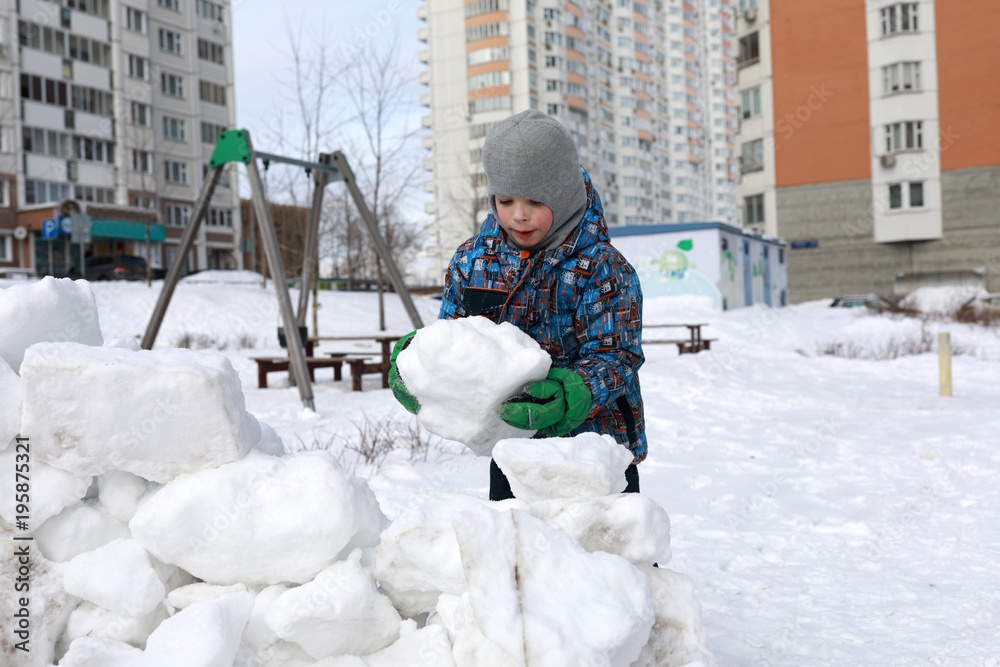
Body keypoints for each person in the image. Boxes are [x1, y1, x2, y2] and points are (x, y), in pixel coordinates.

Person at [390, 109, 646, 500]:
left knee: (603, 559)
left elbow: (617, 355)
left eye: (535, 201)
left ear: (563, 193)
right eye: (505, 200)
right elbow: (454, 339)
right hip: (513, 452)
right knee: (514, 553)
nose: (518, 215)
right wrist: (419, 362)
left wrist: (573, 392)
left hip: (596, 453)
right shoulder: (473, 262)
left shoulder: (604, 268)